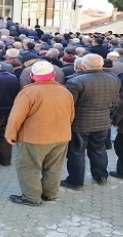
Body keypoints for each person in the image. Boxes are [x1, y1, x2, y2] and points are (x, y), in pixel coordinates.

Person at [5, 61, 75, 206]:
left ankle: (31, 198)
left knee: (28, 167)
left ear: (32, 75)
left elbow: (16, 116)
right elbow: (71, 115)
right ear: (53, 75)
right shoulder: (65, 91)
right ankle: (50, 194)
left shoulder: (28, 92)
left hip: (34, 138)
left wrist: (10, 134)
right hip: (61, 136)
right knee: (54, 167)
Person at [62, 54, 120, 189]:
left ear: (83, 66)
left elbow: (69, 105)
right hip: (103, 122)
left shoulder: (75, 81)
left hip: (79, 124)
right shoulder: (113, 79)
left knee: (77, 152)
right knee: (99, 149)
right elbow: (115, 103)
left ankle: (75, 181)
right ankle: (101, 176)